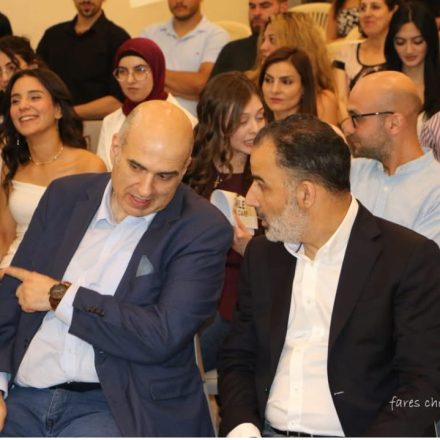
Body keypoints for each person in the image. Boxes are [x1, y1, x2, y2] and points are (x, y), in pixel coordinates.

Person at [0, 100, 232, 437]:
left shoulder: (201, 228)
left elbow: (161, 335)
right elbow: (12, 295)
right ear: (115, 148)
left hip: (118, 404)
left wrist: (58, 296)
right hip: (26, 392)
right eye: (136, 167)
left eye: (165, 176)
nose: (145, 189)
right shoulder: (65, 196)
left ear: (185, 168)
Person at [218, 113, 440, 437]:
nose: (251, 199)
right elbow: (238, 357)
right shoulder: (263, 255)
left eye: (262, 184)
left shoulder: (407, 259)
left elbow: (426, 385)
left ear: (306, 194)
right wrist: (242, 428)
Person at [186, 72, 265, 371]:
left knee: (177, 356)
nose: (255, 129)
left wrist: (250, 248)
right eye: (242, 121)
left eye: (260, 117)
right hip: (192, 291)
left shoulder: (269, 174)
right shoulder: (193, 172)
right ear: (217, 121)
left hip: (240, 298)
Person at [0, 68, 106, 269]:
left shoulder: (89, 165)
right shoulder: (12, 165)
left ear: (58, 109)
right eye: (15, 101)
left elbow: (95, 239)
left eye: (34, 97)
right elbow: (5, 237)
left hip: (62, 274)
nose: (23, 106)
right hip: (11, 269)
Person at [342, 70, 440, 246]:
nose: (348, 128)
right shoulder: (352, 171)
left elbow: (422, 260)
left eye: (356, 118)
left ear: (393, 124)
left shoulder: (435, 190)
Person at [96, 37, 197, 170]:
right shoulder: (110, 121)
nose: (130, 80)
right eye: (122, 71)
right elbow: (102, 172)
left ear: (157, 71)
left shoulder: (185, 121)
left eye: (140, 70)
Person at [37, 0, 130, 120]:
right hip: (54, 125)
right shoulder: (52, 36)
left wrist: (65, 113)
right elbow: (36, 83)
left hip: (100, 126)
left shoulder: (118, 38)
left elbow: (118, 101)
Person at [140, 0, 229, 116]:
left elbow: (202, 86)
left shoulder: (217, 36)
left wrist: (153, 74)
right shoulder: (149, 34)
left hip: (196, 122)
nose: (179, 1)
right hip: (151, 118)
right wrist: (188, 88)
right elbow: (139, 83)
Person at [258, 12, 338, 125]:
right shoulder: (252, 85)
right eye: (268, 80)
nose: (262, 47)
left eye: (272, 40)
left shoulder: (322, 101)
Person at [384, 0, 440, 151]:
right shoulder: (380, 82)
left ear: (430, 41)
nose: (409, 50)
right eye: (400, 42)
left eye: (417, 41)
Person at [333, 0, 400, 110]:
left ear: (393, 11)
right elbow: (340, 100)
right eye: (362, 8)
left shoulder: (403, 52)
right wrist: (347, 120)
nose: (367, 14)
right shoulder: (346, 52)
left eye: (375, 7)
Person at [210, 0, 288, 78]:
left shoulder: (292, 48)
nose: (256, 13)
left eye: (265, 6)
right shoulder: (232, 50)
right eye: (252, 7)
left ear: (283, 8)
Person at [259, 47, 318, 122]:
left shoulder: (322, 129)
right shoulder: (255, 127)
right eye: (268, 80)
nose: (274, 90)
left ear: (304, 87)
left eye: (286, 82)